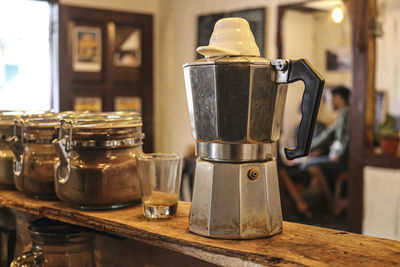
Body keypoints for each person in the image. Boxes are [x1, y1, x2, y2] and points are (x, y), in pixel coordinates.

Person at [299, 86, 351, 212]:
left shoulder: (346, 112)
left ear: (337, 98)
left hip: (343, 160)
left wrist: (340, 154)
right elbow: (328, 135)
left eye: (328, 99)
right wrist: (305, 149)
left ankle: (330, 204)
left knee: (306, 165)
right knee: (311, 163)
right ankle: (327, 203)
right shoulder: (343, 113)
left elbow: (349, 136)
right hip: (340, 158)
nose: (327, 103)